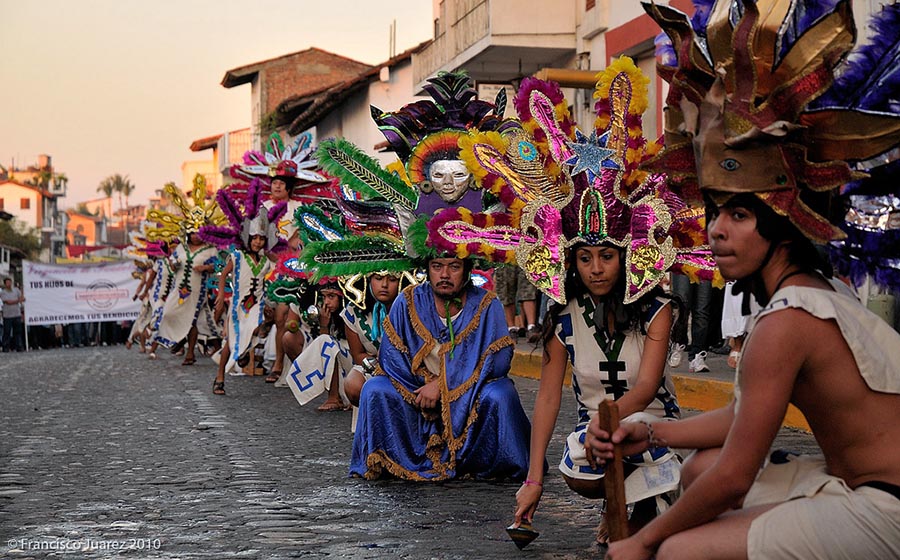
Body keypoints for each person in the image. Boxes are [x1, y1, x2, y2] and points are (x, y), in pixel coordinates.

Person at [586, 3, 900, 558]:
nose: (716, 232)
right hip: (856, 483)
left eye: (739, 214)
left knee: (681, 550)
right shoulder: (811, 295)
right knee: (698, 468)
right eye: (714, 212)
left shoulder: (788, 321)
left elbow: (736, 475)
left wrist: (644, 542)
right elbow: (745, 415)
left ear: (781, 224)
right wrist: (651, 430)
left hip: (884, 508)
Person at [350, 256, 531, 480]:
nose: (444, 275)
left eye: (454, 267)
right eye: (437, 266)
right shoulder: (407, 301)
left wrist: (444, 385)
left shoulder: (487, 304)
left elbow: (498, 361)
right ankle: (390, 461)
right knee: (375, 388)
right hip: (416, 394)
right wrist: (425, 387)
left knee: (501, 393)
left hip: (471, 395)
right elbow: (391, 358)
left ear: (467, 270)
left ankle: (491, 463)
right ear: (427, 268)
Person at [1, 277, 25, 352]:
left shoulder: (16, 290)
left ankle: (19, 346)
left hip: (17, 314)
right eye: (7, 282)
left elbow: (22, 298)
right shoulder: (3, 292)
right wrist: (18, 300)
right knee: (7, 332)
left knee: (18, 332)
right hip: (7, 315)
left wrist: (20, 299)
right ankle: (6, 347)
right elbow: (8, 302)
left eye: (10, 282)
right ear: (5, 284)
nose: (9, 284)